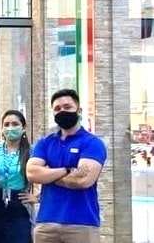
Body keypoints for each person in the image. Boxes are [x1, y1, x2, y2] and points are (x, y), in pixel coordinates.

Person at [26, 89, 106, 243]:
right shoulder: (45, 143)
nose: (62, 111)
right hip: (46, 223)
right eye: (57, 109)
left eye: (67, 107)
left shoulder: (92, 143)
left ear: (79, 111)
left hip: (82, 224)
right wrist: (68, 170)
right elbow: (31, 173)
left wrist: (47, 174)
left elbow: (83, 180)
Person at [0, 110, 37, 243]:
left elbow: (47, 175)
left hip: (19, 203)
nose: (10, 128)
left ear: (23, 128)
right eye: (6, 124)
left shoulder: (31, 151)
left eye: (15, 124)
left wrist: (38, 197)